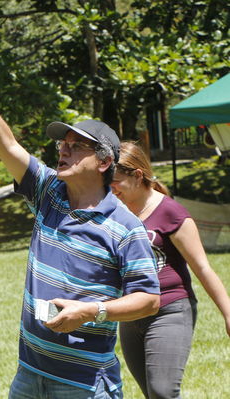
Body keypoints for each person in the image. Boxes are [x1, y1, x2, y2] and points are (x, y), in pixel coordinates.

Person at [0, 44, 160, 398]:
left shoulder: (126, 228)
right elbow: (7, 146)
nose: (62, 149)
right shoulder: (49, 193)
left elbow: (148, 300)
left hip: (85, 383)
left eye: (76, 146)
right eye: (62, 143)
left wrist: (93, 311)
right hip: (29, 373)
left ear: (104, 162)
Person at [110, 141, 230, 398]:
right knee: (152, 393)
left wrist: (228, 313)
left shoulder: (171, 213)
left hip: (170, 310)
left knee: (162, 391)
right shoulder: (115, 215)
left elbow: (203, 268)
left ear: (137, 175)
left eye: (115, 181)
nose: (110, 188)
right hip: (131, 313)